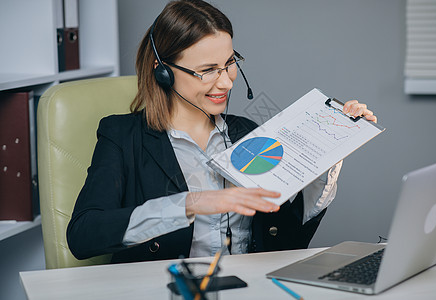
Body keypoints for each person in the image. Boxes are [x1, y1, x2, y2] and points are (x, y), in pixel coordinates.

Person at [67, 0, 377, 264]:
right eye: (207, 70)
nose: (227, 82)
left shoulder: (249, 133)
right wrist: (191, 203)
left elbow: (286, 239)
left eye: (229, 64)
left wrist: (329, 151)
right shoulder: (122, 135)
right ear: (163, 71)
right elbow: (83, 235)